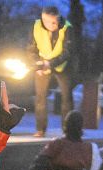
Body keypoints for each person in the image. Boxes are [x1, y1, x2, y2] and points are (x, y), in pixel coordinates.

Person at [28, 6, 73, 137]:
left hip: (62, 66)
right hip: (42, 65)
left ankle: (67, 130)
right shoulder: (36, 26)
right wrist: (37, 64)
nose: (52, 25)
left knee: (67, 97)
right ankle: (40, 129)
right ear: (43, 18)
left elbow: (68, 52)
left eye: (55, 21)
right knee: (40, 98)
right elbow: (31, 48)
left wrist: (50, 63)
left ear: (58, 18)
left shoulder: (67, 27)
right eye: (48, 22)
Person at [23, 111, 101, 170]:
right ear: (81, 127)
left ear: (65, 126)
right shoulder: (90, 147)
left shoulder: (55, 143)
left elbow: (38, 165)